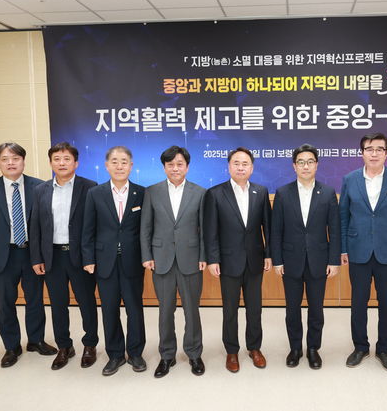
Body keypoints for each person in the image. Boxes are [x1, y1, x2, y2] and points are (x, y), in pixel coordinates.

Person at [0, 142, 56, 368]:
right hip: (2, 255)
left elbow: (45, 223)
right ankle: (11, 346)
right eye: (5, 159)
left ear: (23, 161)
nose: (10, 163)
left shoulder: (39, 186)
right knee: (5, 303)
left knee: (35, 300)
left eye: (15, 158)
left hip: (32, 254)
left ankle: (36, 340)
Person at [339, 133, 387, 372]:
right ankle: (360, 347)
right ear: (362, 153)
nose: (374, 153)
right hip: (358, 250)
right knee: (358, 302)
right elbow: (343, 217)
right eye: (369, 149)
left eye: (379, 149)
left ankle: (383, 349)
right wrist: (342, 248)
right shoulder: (350, 179)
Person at [29, 142, 98, 370]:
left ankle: (90, 345)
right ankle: (64, 346)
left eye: (66, 159)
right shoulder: (40, 190)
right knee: (58, 304)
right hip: (53, 257)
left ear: (76, 163)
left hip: (80, 256)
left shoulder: (90, 187)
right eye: (56, 159)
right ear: (50, 163)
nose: (61, 163)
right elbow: (35, 226)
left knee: (86, 302)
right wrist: (36, 258)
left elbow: (95, 226)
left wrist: (91, 257)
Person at [270, 144, 341, 369]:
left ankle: (313, 348)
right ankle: (295, 348)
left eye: (310, 161)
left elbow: (335, 230)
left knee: (316, 309)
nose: (306, 166)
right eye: (301, 162)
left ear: (317, 165)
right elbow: (276, 230)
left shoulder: (328, 193)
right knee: (292, 309)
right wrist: (277, 260)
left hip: (319, 260)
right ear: (294, 166)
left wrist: (334, 260)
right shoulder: (283, 193)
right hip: (290, 260)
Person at [203, 147, 272, 373]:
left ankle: (254, 348)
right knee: (230, 309)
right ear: (229, 166)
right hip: (228, 261)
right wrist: (213, 259)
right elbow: (211, 230)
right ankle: (231, 351)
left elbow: (268, 227)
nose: (240, 167)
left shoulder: (261, 192)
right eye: (236, 163)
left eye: (245, 164)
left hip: (254, 260)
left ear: (251, 168)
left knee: (255, 309)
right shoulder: (215, 193)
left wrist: (269, 254)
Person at [140, 146, 206, 378]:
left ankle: (194, 353)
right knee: (165, 310)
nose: (175, 168)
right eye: (170, 164)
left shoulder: (200, 192)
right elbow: (145, 227)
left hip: (191, 259)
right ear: (164, 167)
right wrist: (146, 255)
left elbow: (204, 229)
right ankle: (167, 355)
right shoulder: (152, 191)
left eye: (179, 164)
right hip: (161, 259)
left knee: (192, 309)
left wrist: (203, 256)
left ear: (187, 167)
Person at [82, 146, 146, 376]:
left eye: (124, 162)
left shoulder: (142, 193)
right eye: (115, 162)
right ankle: (115, 354)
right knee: (109, 309)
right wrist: (88, 258)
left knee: (134, 308)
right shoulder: (95, 193)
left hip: (133, 260)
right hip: (104, 261)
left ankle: (135, 353)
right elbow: (87, 229)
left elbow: (146, 229)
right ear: (107, 165)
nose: (120, 166)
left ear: (131, 166)